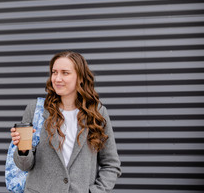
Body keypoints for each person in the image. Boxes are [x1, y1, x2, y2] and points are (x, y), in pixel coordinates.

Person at [10, 51, 121, 193]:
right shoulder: (36, 110)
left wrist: (97, 191)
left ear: (80, 77)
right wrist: (22, 149)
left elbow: (111, 164)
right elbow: (24, 166)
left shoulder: (97, 113)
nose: (57, 78)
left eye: (65, 73)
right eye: (54, 72)